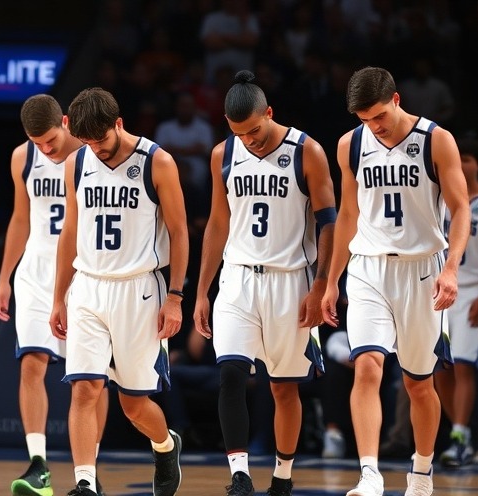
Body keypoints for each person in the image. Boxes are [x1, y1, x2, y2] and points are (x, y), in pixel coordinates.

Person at [321, 66, 470, 496]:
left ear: (397, 100)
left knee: (418, 384)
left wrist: (451, 268)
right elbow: (348, 214)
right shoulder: (350, 145)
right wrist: (332, 280)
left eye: (379, 116)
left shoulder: (436, 140)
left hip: (422, 268)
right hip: (368, 268)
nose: (374, 126)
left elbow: (460, 209)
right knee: (366, 365)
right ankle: (369, 475)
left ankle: (420, 474)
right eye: (364, 119)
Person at [192, 70, 336, 496]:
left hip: (291, 280)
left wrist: (322, 283)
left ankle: (283, 477)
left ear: (269, 113)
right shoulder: (224, 153)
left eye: (255, 130)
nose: (249, 140)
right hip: (237, 280)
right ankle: (239, 475)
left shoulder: (307, 150)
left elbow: (329, 222)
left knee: (283, 387)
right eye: (240, 133)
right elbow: (219, 224)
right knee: (231, 374)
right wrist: (201, 289)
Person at [49, 87, 187, 496]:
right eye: (88, 142)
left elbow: (180, 232)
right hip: (88, 286)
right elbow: (69, 232)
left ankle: (165, 446)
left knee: (132, 405)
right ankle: (85, 484)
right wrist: (59, 296)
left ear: (119, 124)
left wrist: (176, 296)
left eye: (103, 140)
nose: (97, 149)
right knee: (85, 387)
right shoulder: (76, 163)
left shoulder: (157, 161)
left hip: (139, 288)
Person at [0, 94, 109, 496]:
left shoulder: (94, 152)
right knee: (31, 363)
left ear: (65, 122)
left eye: (51, 140)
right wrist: (4, 278)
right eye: (37, 142)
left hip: (88, 271)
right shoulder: (22, 158)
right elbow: (20, 219)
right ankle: (38, 465)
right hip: (37, 271)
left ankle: (89, 468)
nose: (46, 149)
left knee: (93, 379)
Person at [436, 138, 478, 467]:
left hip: (472, 292)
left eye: (468, 158)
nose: (462, 164)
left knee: (462, 364)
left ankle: (461, 437)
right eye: (459, 158)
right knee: (439, 369)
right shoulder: (442, 199)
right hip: (442, 288)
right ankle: (459, 432)